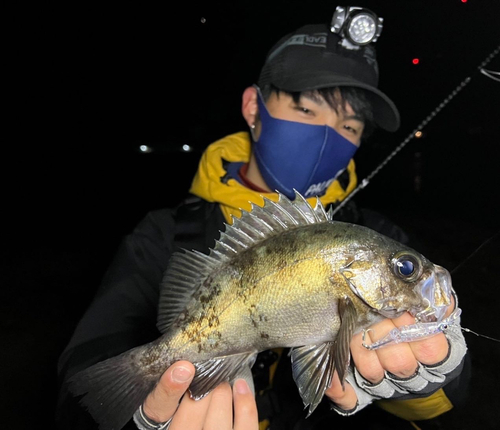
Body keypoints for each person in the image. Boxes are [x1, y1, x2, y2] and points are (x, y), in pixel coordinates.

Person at [56, 6, 468, 430]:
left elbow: (449, 405)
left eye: (349, 125)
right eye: (307, 110)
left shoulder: (378, 233)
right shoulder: (163, 235)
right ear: (253, 107)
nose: (327, 134)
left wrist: (426, 379)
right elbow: (82, 382)